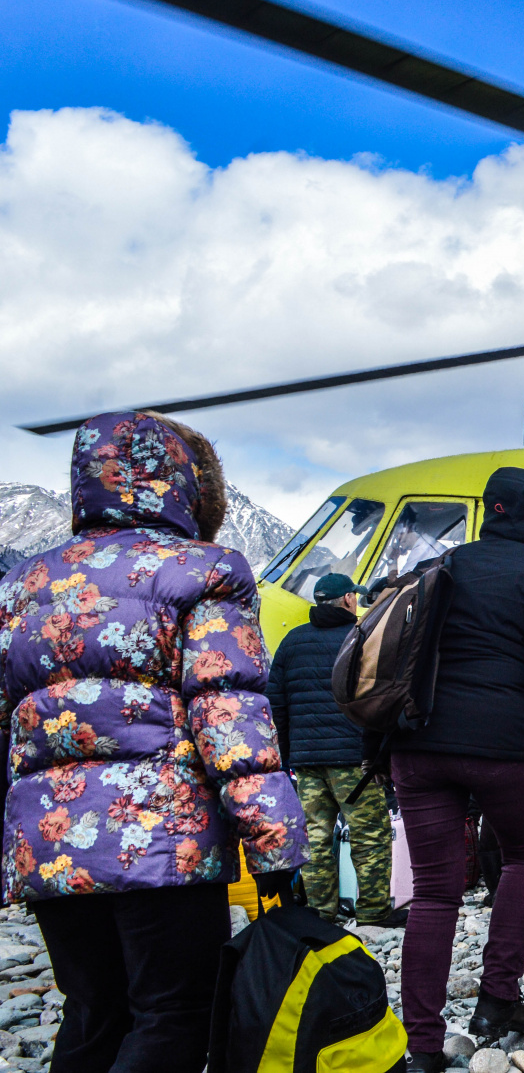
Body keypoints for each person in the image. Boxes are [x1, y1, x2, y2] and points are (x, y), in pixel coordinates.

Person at [0, 410, 307, 1073]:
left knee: (93, 1013)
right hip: (163, 841)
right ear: (183, 482)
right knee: (174, 1013)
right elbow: (229, 714)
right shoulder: (205, 569)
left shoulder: (23, 583)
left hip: (49, 848)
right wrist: (275, 842)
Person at [387, 468, 524, 1071]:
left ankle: (422, 1046)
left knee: (434, 892)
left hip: (420, 744)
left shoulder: (440, 567)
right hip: (507, 749)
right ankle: (497, 997)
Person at [268, 572, 403, 927]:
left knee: (315, 837)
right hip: (353, 758)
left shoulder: (292, 641)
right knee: (369, 834)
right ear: (347, 599)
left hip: (307, 761)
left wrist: (290, 754)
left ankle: (320, 914)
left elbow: (276, 703)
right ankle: (373, 912)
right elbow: (380, 697)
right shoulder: (361, 636)